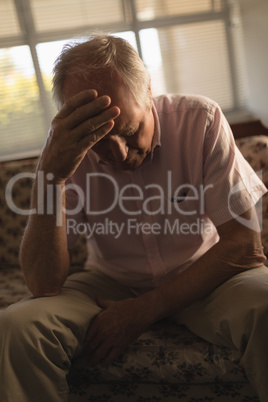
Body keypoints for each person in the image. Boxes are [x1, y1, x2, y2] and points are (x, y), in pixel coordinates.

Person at [0, 33, 268, 402]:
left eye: (128, 131)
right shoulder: (64, 151)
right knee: (17, 327)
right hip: (109, 282)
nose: (120, 154)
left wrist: (144, 310)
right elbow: (43, 284)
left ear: (149, 93)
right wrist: (51, 175)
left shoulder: (200, 120)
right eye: (99, 139)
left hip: (205, 276)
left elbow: (245, 248)